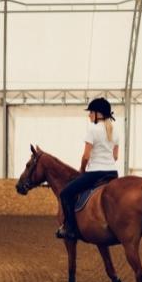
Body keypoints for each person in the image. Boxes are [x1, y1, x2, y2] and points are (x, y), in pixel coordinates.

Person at [56, 97, 120, 240]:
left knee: (65, 193)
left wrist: (82, 170)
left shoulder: (92, 129)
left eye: (91, 112)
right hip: (112, 173)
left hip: (95, 173)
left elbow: (86, 156)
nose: (89, 115)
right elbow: (115, 156)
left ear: (98, 113)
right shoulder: (115, 131)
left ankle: (70, 228)